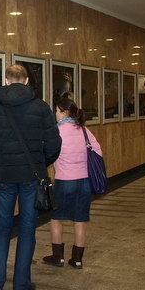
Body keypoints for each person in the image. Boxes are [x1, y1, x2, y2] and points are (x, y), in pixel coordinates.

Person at [0, 64, 61, 290]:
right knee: (27, 229)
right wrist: (40, 164)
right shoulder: (41, 108)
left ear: (6, 80)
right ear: (26, 81)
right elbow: (54, 143)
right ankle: (21, 285)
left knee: (2, 229)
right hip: (30, 178)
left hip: (3, 178)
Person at [42, 98, 102, 270]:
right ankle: (77, 260)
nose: (55, 114)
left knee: (56, 218)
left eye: (56, 111)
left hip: (64, 181)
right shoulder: (84, 131)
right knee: (80, 220)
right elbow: (98, 151)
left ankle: (57, 257)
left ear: (64, 112)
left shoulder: (57, 132)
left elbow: (49, 153)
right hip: (84, 182)